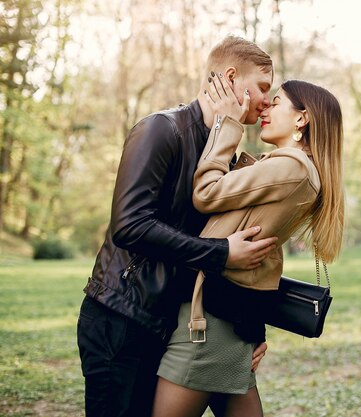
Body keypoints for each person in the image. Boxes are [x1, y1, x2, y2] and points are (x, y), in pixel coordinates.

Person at [76, 36, 279, 417]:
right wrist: (221, 253)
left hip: (173, 326)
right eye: (262, 87)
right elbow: (130, 225)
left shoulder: (223, 153)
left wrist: (252, 329)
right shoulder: (161, 130)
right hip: (122, 319)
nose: (267, 100)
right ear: (231, 77)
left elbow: (228, 254)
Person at [151, 78, 345, 417]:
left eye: (278, 101)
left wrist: (229, 126)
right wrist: (255, 327)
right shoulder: (291, 167)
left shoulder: (292, 168)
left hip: (207, 326)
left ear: (302, 119)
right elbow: (264, 255)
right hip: (229, 319)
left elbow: (206, 193)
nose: (266, 107)